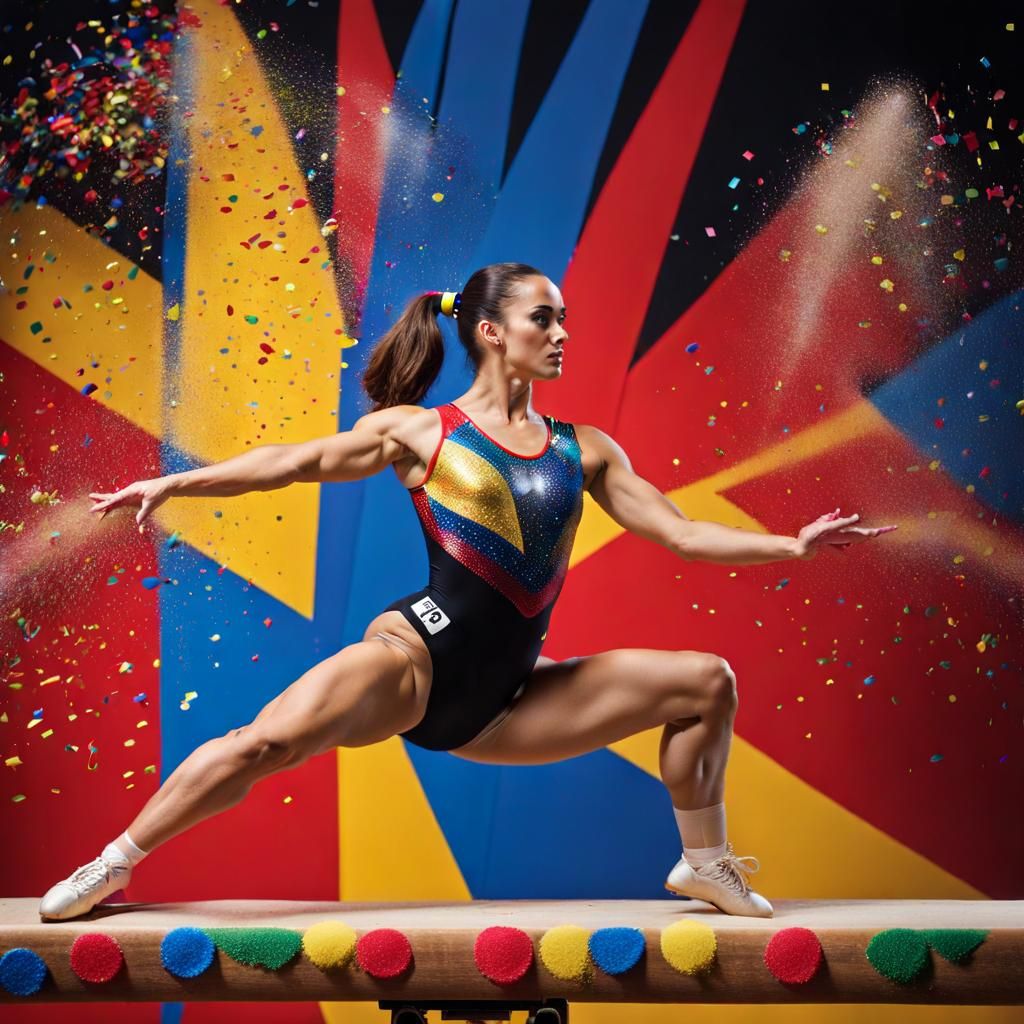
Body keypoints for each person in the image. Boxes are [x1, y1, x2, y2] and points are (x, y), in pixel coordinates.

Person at [39, 262, 897, 921]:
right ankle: (114, 862)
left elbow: (680, 533)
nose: (561, 333)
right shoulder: (422, 432)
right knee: (264, 744)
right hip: (413, 661)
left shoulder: (586, 449)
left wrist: (791, 544)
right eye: (543, 318)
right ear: (491, 331)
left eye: (562, 318)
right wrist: (177, 485)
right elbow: (293, 463)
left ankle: (704, 865)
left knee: (707, 683)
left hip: (507, 702)